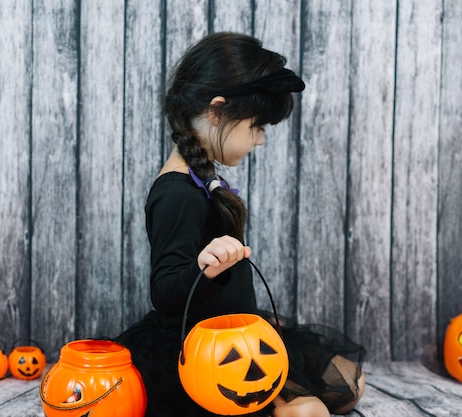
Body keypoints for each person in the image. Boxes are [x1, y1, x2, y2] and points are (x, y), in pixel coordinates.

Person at [116, 32, 365, 417]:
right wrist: (206, 267)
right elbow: (165, 292)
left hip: (241, 329)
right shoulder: (175, 194)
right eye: (257, 126)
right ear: (217, 111)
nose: (261, 140)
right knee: (308, 411)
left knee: (351, 383)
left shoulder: (203, 178)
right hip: (208, 347)